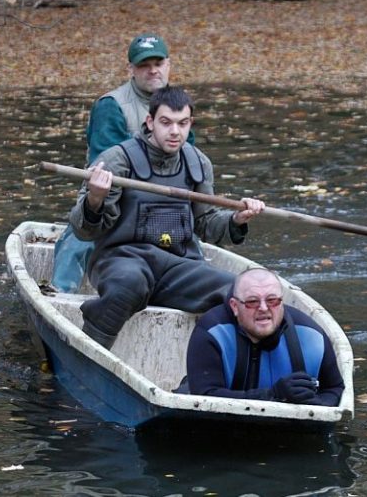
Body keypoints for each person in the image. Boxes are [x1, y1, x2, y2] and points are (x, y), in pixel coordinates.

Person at [69, 86, 265, 348]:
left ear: (190, 123)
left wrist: (237, 219)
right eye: (166, 123)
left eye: (182, 123)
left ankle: (222, 365)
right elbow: (85, 232)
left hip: (179, 265)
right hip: (122, 259)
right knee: (129, 285)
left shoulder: (198, 163)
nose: (175, 131)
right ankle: (89, 351)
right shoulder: (116, 160)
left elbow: (207, 224)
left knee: (237, 293)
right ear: (150, 122)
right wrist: (95, 198)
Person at [52, 33, 194, 292]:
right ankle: (59, 295)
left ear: (168, 65)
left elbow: (189, 163)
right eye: (143, 65)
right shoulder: (112, 106)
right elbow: (104, 167)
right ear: (131, 69)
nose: (153, 71)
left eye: (158, 63)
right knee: (79, 242)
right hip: (113, 206)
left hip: (164, 210)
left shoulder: (178, 108)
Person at [185, 268, 345, 406]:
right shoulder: (211, 332)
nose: (263, 308)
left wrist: (316, 405)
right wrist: (272, 395)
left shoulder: (311, 334)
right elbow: (204, 396)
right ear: (234, 306)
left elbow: (335, 388)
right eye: (252, 301)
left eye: (272, 300)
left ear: (282, 302)